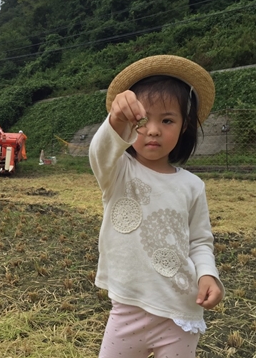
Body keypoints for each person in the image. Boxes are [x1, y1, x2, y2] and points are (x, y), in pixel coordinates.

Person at [89, 55, 224, 358]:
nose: (152, 130)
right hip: (127, 310)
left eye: (167, 120)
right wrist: (116, 119)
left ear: (183, 126)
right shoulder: (118, 171)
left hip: (179, 314)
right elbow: (100, 150)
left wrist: (207, 274)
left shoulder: (192, 186)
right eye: (141, 120)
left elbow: (200, 241)